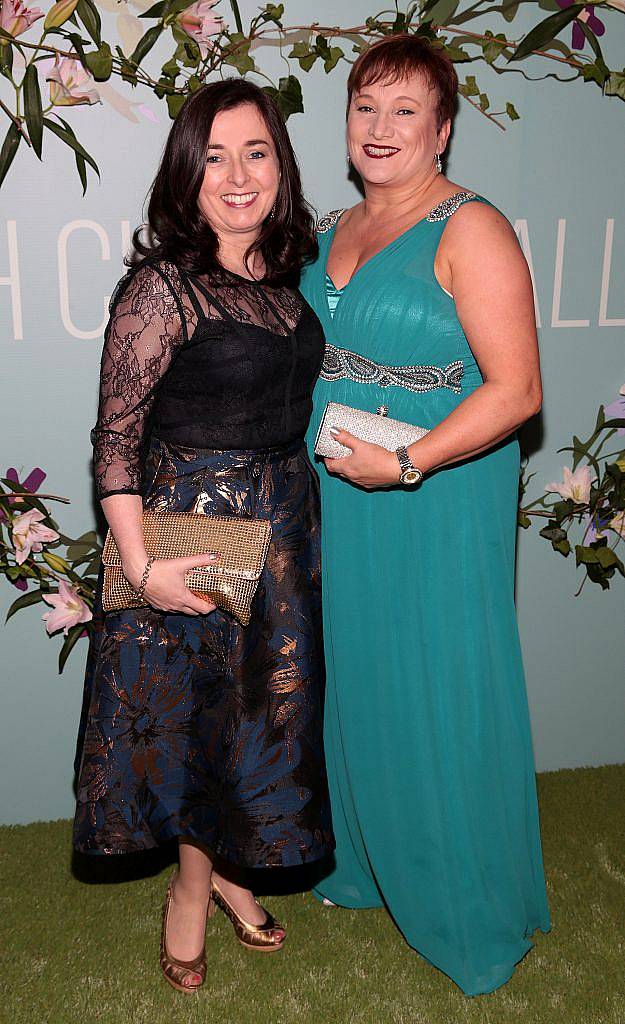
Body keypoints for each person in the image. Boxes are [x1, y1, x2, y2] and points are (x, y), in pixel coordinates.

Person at [300, 33, 550, 996]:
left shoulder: (470, 228)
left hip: (431, 493)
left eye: (405, 110)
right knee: (360, 678)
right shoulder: (335, 227)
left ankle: (466, 907)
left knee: (439, 686)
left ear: (442, 129)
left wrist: (404, 463)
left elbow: (516, 390)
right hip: (338, 488)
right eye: (366, 107)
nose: (381, 127)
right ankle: (367, 865)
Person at [72, 78, 334, 993]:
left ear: (280, 166)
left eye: (255, 152)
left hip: (283, 523)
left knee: (264, 721)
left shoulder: (283, 274)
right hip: (195, 526)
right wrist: (141, 568)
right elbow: (116, 436)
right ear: (186, 174)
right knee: (198, 726)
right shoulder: (161, 287)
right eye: (213, 156)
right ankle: (192, 891)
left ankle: (223, 868)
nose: (236, 175)